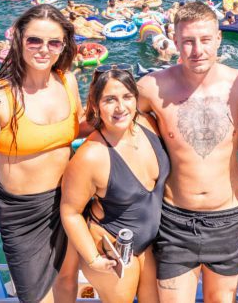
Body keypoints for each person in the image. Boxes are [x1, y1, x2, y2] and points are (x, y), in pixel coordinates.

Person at [136, 1, 238, 303]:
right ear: (175, 41)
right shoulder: (152, 87)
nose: (197, 50)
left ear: (219, 39)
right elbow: (114, 128)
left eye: (205, 40)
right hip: (174, 219)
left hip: (228, 219)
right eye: (188, 41)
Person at [0, 4, 84, 303]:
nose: (44, 49)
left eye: (54, 42)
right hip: (22, 213)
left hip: (67, 200)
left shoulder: (67, 80)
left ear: (64, 45)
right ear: (18, 39)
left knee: (67, 280)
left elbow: (79, 129)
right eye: (34, 40)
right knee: (35, 296)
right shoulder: (1, 97)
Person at [61, 66, 170, 302]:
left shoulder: (148, 124)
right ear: (97, 104)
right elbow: (70, 212)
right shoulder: (91, 156)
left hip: (148, 245)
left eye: (127, 97)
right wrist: (92, 259)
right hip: (112, 250)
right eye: (110, 100)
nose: (121, 107)